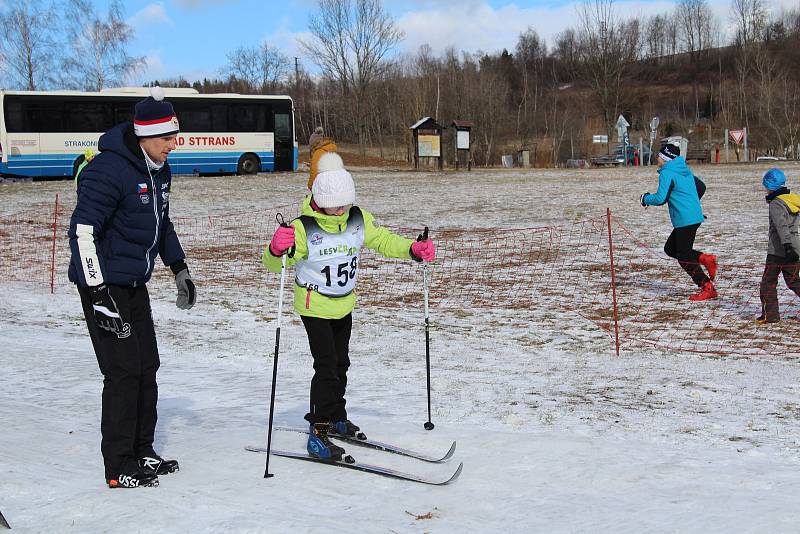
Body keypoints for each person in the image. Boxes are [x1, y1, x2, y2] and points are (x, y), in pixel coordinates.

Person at [262, 152, 436, 461]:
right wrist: (276, 249)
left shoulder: (357, 218)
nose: (341, 208)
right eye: (335, 203)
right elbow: (276, 264)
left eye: (346, 201)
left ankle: (338, 417)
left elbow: (382, 239)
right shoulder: (304, 227)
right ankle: (319, 430)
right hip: (314, 305)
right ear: (318, 199)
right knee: (326, 366)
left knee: (341, 363)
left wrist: (412, 249)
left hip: (344, 304)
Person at [68, 86, 196, 488]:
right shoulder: (110, 170)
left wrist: (179, 268)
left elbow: (162, 224)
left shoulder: (159, 169)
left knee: (147, 365)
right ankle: (119, 464)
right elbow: (83, 232)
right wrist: (98, 293)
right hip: (103, 286)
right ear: (144, 136)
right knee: (122, 372)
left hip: (134, 284)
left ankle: (142, 449)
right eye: (166, 138)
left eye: (175, 137)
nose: (173, 145)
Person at [640, 143, 718, 301]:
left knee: (683, 256)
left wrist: (645, 199)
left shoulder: (667, 173)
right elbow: (701, 187)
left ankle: (707, 287)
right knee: (670, 248)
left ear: (665, 158)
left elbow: (661, 198)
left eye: (659, 156)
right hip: (693, 216)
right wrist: (691, 204)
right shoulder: (682, 169)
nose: (657, 158)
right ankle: (705, 258)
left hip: (685, 219)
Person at [757, 168, 800, 324]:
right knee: (794, 281)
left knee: (768, 282)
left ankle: (771, 315)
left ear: (770, 186)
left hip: (779, 250)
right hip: (795, 247)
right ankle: (771, 315)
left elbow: (781, 226)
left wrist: (786, 246)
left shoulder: (776, 203)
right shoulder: (792, 199)